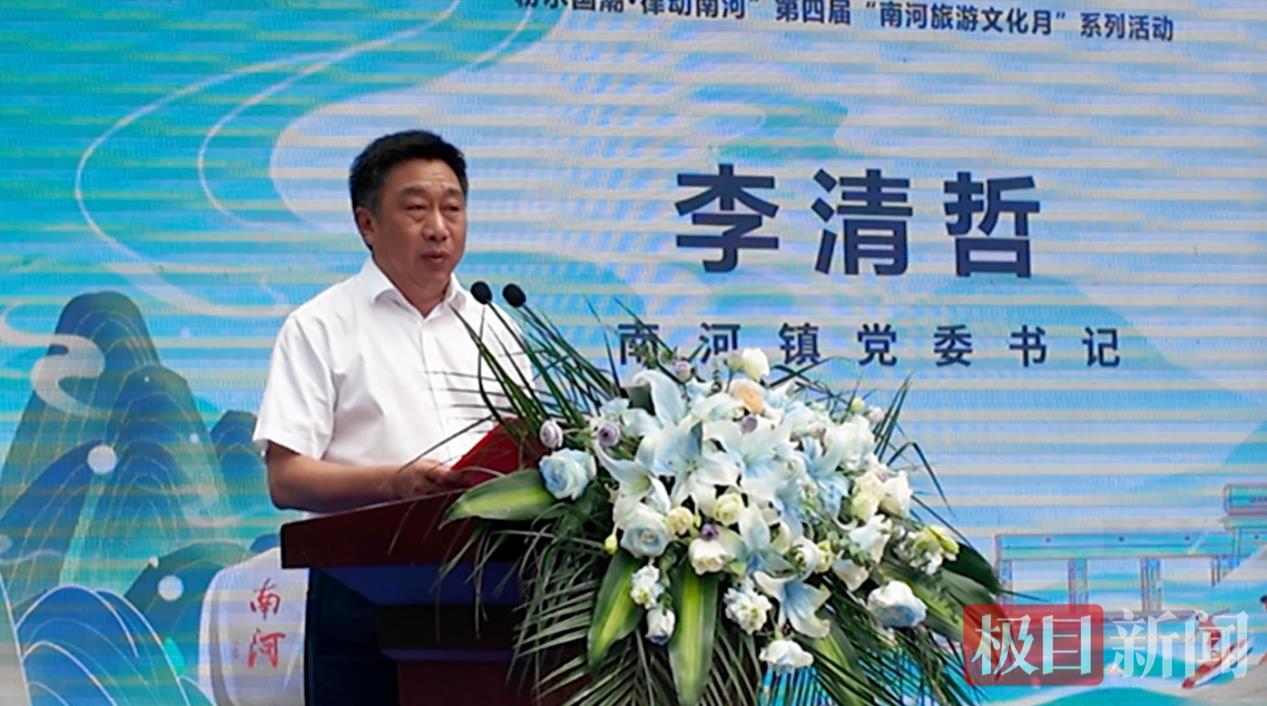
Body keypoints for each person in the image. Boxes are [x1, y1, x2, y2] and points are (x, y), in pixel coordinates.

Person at [253, 130, 521, 706]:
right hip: (363, 589)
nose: (439, 227)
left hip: (493, 588)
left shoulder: (497, 328)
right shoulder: (319, 326)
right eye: (417, 208)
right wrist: (394, 484)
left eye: (452, 208)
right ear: (367, 224)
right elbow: (286, 479)